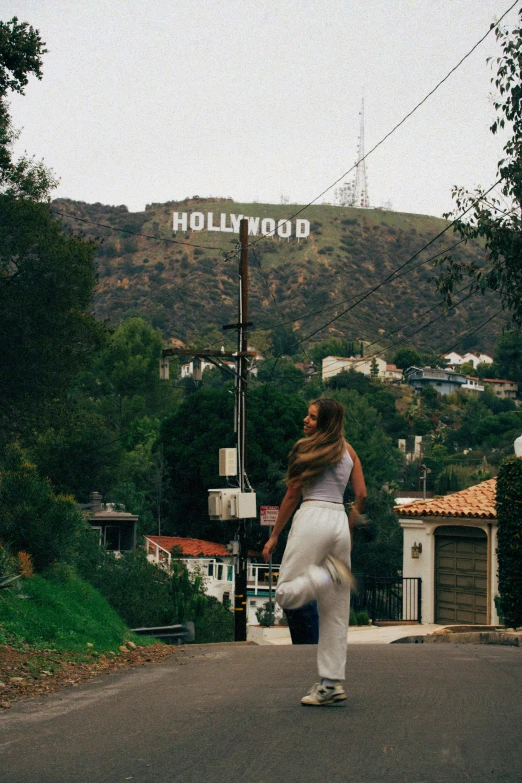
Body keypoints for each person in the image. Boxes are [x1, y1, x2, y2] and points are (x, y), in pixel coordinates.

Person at [263, 397, 366, 706]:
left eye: (311, 417)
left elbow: (293, 493)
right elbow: (361, 495)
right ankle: (331, 684)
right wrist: (347, 526)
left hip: (312, 517)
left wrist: (274, 536)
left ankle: (325, 576)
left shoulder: (305, 449)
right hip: (337, 518)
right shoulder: (348, 451)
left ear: (324, 423)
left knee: (285, 593)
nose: (305, 421)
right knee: (335, 611)